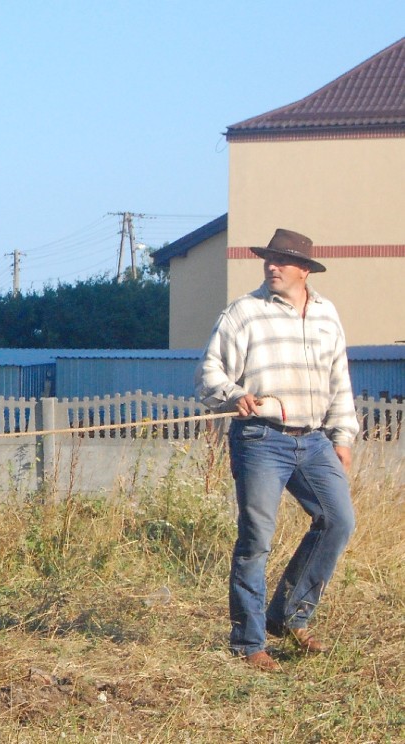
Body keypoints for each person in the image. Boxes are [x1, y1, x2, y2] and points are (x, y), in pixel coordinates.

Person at [195, 228, 358, 672]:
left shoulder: (327, 314)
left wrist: (342, 436)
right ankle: (248, 642)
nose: (272, 266)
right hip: (259, 439)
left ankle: (288, 615)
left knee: (338, 520)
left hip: (314, 439)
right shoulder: (243, 313)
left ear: (304, 270)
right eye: (268, 259)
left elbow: (338, 379)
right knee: (256, 540)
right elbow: (209, 373)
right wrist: (233, 395)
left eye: (281, 261)